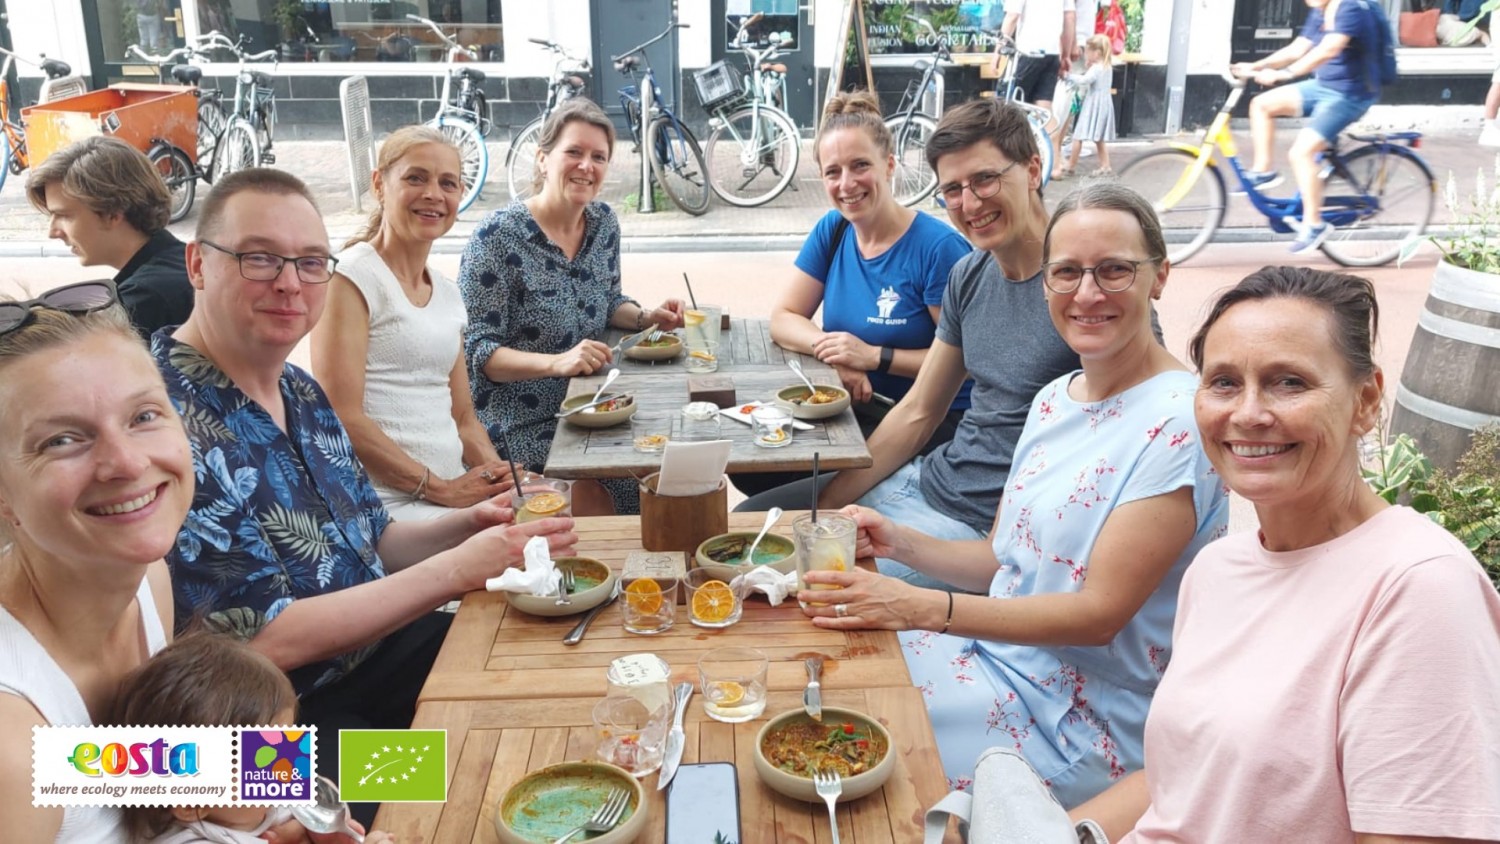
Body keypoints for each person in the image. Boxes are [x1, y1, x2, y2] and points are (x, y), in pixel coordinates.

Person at [153, 167, 577, 820]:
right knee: (467, 785)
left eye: (310, 262)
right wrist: (458, 569)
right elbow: (267, 641)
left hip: (374, 655)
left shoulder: (298, 390)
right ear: (198, 264)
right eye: (260, 258)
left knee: (542, 685)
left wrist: (469, 524)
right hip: (265, 733)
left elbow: (373, 539)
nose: (289, 283)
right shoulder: (158, 424)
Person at [799, 182, 1229, 807]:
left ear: (1159, 276)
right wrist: (900, 543)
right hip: (996, 658)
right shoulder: (1055, 398)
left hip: (1076, 718)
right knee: (817, 680)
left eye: (1114, 270)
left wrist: (919, 606)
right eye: (1067, 272)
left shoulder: (1181, 421)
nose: (1087, 293)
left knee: (844, 758)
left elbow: (1099, 616)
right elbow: (1002, 559)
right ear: (1045, 284)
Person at [1070, 266, 1500, 842]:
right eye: (1224, 382)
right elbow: (1187, 779)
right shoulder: (1217, 569)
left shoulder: (1419, 589)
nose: (1248, 413)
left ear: (1366, 400)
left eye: (1289, 382)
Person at [809, 99, 1086, 588]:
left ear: (1033, 169)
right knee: (755, 533)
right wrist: (823, 507)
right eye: (953, 190)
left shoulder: (1085, 284)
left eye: (985, 180)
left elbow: (1132, 425)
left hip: (983, 532)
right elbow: (919, 412)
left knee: (806, 586)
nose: (970, 204)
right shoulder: (969, 275)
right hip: (927, 481)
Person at [0, 284, 188, 842]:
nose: (126, 462)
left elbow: (147, 764)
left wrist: (307, 802)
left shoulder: (146, 583)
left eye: (144, 415)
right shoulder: (12, 742)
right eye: (62, 440)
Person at [736, 91, 971, 497]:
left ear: (890, 165)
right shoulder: (834, 229)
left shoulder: (938, 249)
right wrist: (836, 355)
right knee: (750, 466)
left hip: (930, 425)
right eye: (833, 171)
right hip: (856, 410)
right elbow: (784, 317)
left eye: (860, 165)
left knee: (775, 492)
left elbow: (964, 362)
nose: (846, 184)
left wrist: (875, 356)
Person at [459, 98, 684, 515]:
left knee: (668, 470)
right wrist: (557, 362)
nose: (587, 166)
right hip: (522, 424)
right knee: (601, 492)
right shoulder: (495, 237)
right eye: (574, 152)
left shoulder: (603, 223)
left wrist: (645, 317)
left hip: (594, 408)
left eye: (599, 157)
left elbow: (607, 299)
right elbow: (479, 354)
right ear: (543, 159)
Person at [311, 126, 521, 521]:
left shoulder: (447, 292)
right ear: (379, 184)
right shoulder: (351, 277)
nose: (433, 194)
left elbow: (464, 419)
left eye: (448, 183)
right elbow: (341, 414)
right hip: (385, 505)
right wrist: (441, 489)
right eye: (416, 178)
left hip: (448, 495)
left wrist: (507, 482)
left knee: (560, 513)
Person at [113, 633, 394, 843]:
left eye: (288, 742)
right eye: (265, 758)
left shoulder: (251, 800)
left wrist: (330, 823)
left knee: (371, 741)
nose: (291, 769)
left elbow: (318, 795)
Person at [1232, 0, 1390, 253]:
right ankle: (1264, 171)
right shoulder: (1321, 10)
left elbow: (1329, 49)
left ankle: (1314, 224)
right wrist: (1256, 66)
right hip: (1322, 87)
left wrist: (1284, 74)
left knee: (1301, 153)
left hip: (1350, 95)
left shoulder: (1350, 7)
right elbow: (1297, 48)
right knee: (1261, 105)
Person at [26, 136, 193, 339]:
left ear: (113, 214)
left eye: (64, 216)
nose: (52, 232)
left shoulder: (142, 301)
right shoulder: (183, 261)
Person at [993, 0, 1077, 181]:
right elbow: (1070, 17)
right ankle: (1055, 166)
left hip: (1027, 52)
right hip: (1051, 54)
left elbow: (1012, 16)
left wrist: (997, 52)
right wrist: (1066, 55)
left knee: (1006, 106)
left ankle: (1004, 161)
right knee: (1044, 109)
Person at [1060, 34, 1116, 177]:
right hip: (1104, 104)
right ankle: (1105, 165)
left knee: (1078, 135)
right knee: (1099, 138)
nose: (1085, 55)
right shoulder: (1107, 67)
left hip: (1093, 105)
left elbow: (1085, 80)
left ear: (1096, 53)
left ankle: (1071, 165)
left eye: (1087, 52)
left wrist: (1068, 76)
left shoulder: (1096, 68)